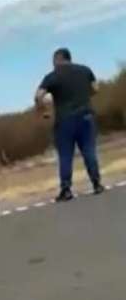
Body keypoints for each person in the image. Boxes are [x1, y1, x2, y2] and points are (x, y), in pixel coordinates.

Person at [35, 47, 105, 202]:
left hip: (65, 120)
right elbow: (96, 89)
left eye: (54, 61)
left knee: (66, 155)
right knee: (89, 150)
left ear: (58, 59)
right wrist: (83, 96)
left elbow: (39, 95)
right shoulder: (85, 70)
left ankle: (66, 189)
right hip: (86, 115)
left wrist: (44, 110)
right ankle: (96, 183)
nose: (53, 64)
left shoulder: (52, 76)